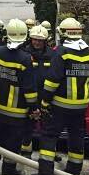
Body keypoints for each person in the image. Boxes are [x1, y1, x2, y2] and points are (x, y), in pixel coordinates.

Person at [32, 17, 89, 175]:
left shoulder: (61, 52)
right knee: (76, 136)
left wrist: (45, 103)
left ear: (62, 33)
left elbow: (52, 81)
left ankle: (45, 173)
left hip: (60, 105)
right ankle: (74, 172)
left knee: (49, 136)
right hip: (80, 107)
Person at [0, 19, 36, 175]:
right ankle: (8, 168)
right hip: (17, 111)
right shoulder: (25, 58)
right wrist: (34, 107)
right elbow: (29, 88)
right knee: (13, 141)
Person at [22, 24, 59, 161]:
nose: (36, 42)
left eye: (40, 40)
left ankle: (49, 154)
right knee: (27, 127)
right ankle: (25, 153)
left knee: (48, 128)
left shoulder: (52, 55)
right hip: (29, 96)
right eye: (34, 39)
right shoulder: (25, 53)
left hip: (46, 97)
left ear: (45, 41)